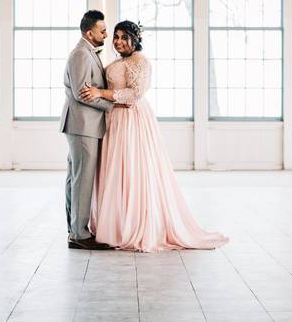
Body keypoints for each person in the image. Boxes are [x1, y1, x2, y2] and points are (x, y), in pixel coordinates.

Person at [81, 21, 228, 253]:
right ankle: (116, 224)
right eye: (116, 36)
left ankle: (134, 225)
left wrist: (100, 93)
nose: (118, 41)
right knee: (114, 171)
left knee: (131, 170)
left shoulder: (141, 62)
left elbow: (134, 94)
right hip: (114, 120)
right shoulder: (120, 61)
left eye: (124, 37)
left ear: (135, 39)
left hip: (131, 121)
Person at [59, 10, 114, 250]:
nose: (106, 33)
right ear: (89, 32)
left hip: (83, 125)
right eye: (102, 30)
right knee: (82, 179)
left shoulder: (87, 52)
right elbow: (83, 93)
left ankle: (75, 230)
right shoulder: (81, 54)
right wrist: (111, 105)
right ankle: (80, 234)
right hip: (83, 124)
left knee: (76, 178)